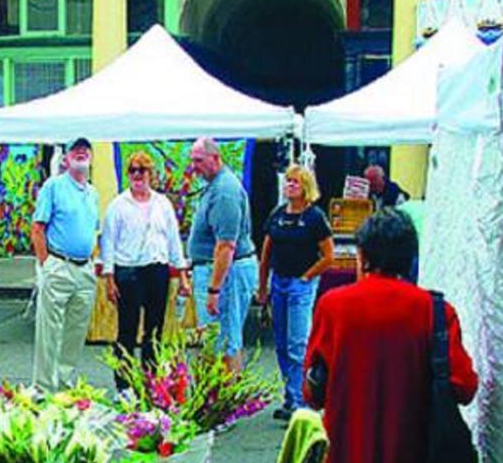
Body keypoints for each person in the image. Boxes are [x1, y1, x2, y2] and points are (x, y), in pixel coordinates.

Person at [304, 209, 478, 463]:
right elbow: (464, 385)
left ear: (363, 255)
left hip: (343, 462)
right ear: (409, 256)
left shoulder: (334, 306)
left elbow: (313, 391)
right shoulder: (436, 311)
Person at [101, 151, 190, 387]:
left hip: (156, 272)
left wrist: (182, 275)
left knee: (154, 333)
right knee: (127, 333)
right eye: (133, 170)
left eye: (143, 170)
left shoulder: (163, 204)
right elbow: (107, 243)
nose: (138, 175)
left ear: (152, 174)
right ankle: (124, 386)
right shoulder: (117, 206)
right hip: (128, 273)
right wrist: (109, 280)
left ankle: (152, 385)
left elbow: (173, 240)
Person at [257, 165, 334, 421]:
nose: (289, 186)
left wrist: (307, 276)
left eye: (296, 183)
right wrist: (263, 287)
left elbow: (328, 256)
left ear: (306, 188)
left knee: (297, 344)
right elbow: (266, 254)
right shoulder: (277, 215)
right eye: (288, 181)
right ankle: (290, 396)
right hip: (278, 281)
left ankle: (302, 401)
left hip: (300, 285)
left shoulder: (315, 217)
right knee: (280, 344)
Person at [31, 137, 100, 392]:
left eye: (85, 150)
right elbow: (37, 228)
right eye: (75, 150)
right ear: (65, 158)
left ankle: (64, 384)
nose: (81, 153)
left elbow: (92, 230)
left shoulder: (93, 193)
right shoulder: (54, 186)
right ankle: (43, 389)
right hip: (59, 264)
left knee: (75, 332)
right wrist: (46, 264)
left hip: (84, 269)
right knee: (50, 331)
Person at [188, 137, 257, 374]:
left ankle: (224, 406)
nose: (193, 167)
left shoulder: (225, 191)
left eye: (198, 161)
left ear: (215, 158)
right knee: (217, 340)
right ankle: (219, 402)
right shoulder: (215, 185)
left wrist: (214, 290)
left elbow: (226, 246)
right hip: (216, 270)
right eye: (192, 161)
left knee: (224, 341)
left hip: (226, 274)